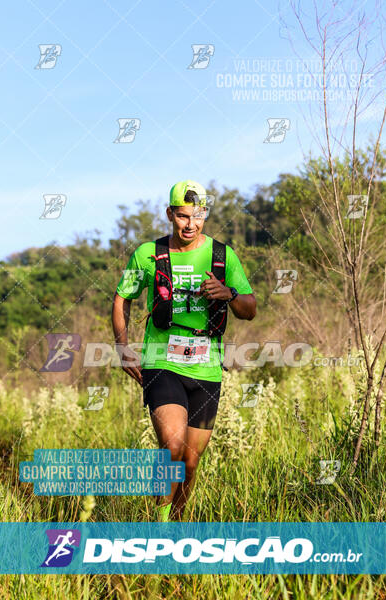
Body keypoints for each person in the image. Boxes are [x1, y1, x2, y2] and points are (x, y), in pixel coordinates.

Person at [112, 180, 256, 521]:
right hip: (162, 361)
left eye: (198, 216)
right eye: (182, 216)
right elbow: (122, 299)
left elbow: (250, 309)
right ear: (170, 214)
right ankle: (158, 529)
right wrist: (122, 348)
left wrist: (228, 293)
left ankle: (176, 525)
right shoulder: (148, 255)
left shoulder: (222, 255)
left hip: (207, 368)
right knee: (173, 446)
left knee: (190, 462)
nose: (190, 224)